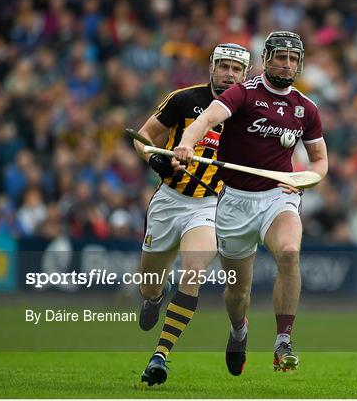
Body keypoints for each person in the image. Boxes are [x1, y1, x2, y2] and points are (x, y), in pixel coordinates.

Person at [174, 31, 328, 374]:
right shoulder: (243, 93)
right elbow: (206, 120)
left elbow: (319, 161)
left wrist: (304, 179)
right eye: (279, 57)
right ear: (266, 58)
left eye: (292, 59)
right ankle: (238, 330)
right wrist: (186, 142)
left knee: (289, 252)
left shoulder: (306, 108)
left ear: (299, 63)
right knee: (238, 292)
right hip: (236, 203)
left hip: (279, 197)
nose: (285, 64)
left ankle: (282, 341)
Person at [132, 43, 251, 386]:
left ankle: (160, 356)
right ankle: (156, 294)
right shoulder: (184, 100)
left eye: (237, 69)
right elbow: (143, 137)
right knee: (149, 285)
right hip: (169, 201)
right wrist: (152, 157)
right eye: (224, 66)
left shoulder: (246, 114)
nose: (229, 73)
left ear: (246, 75)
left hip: (211, 205)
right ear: (212, 68)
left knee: (194, 271)